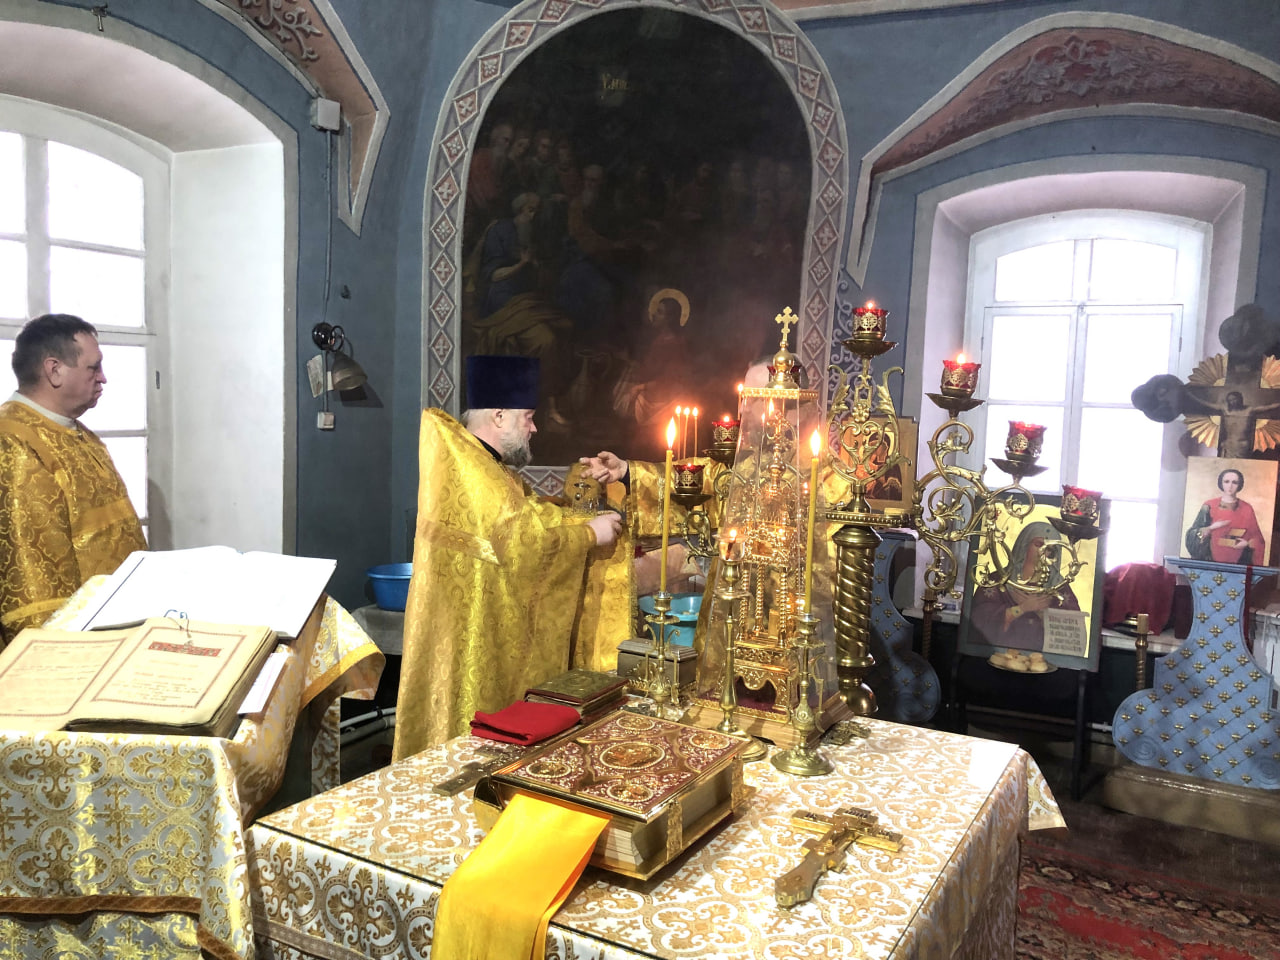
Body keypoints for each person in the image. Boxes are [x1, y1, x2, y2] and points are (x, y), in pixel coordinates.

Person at [392, 355, 628, 758]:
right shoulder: (477, 472)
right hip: (472, 637)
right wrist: (590, 534)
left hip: (477, 625)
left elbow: (527, 517)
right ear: (499, 416)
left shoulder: (480, 463)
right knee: (467, 748)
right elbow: (523, 547)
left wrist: (574, 516)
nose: (535, 428)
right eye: (528, 417)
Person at [0, 313, 147, 645]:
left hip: (117, 630)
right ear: (54, 370)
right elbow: (34, 582)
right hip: (75, 645)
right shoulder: (16, 443)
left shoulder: (77, 433)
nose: (103, 378)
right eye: (93, 368)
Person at [968, 521, 1081, 652]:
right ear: (1025, 545)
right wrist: (1022, 608)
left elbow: (1073, 631)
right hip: (1001, 654)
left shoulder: (1059, 586)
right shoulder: (998, 579)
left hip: (1041, 657)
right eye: (1038, 544)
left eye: (1049, 548)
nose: (1043, 551)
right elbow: (978, 618)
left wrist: (1041, 612)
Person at [1184, 466, 1266, 564]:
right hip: (1210, 561)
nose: (1230, 486)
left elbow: (1258, 539)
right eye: (1226, 482)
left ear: (1240, 485)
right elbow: (1192, 535)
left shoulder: (1247, 508)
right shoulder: (1209, 505)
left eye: (1234, 482)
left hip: (1238, 563)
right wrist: (1212, 528)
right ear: (1221, 483)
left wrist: (1247, 544)